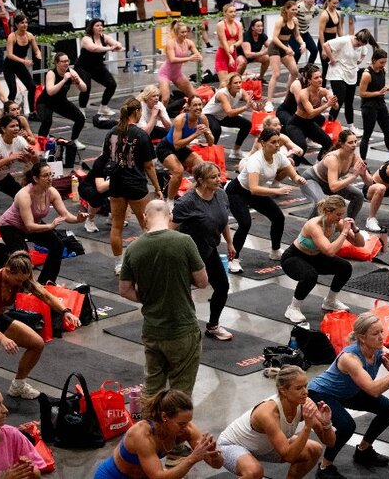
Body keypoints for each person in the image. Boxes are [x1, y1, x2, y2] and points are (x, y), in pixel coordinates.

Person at [308, 313, 389, 477]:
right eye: (375, 334)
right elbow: (373, 390)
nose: (381, 337)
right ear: (362, 338)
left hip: (349, 392)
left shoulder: (380, 351)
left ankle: (363, 450)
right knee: (347, 426)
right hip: (322, 393)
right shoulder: (350, 358)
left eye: (382, 331)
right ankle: (324, 467)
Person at [119, 201, 207, 395]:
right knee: (180, 393)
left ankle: (149, 423)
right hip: (182, 328)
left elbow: (125, 289)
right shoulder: (184, 241)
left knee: (152, 388)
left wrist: (150, 298)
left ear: (144, 217)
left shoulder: (134, 248)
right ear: (171, 216)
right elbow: (202, 281)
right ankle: (176, 425)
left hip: (152, 330)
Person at [0, 251, 80, 399]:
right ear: (7, 271)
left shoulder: (22, 279)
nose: (21, 285)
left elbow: (45, 295)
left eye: (23, 281)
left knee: (36, 343)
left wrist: (65, 312)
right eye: (17, 280)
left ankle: (18, 386)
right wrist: (2, 338)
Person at [217, 365, 334, 478]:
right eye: (299, 388)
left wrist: (326, 423)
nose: (305, 392)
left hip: (265, 447)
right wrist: (307, 427)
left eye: (305, 386)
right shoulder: (267, 413)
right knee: (254, 472)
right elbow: (289, 456)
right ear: (283, 391)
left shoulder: (303, 402)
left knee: (314, 450)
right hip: (231, 446)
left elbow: (330, 443)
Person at [226, 128, 306, 274]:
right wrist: (276, 191)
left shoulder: (279, 156)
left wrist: (298, 179)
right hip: (237, 192)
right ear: (263, 143)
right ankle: (233, 260)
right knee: (245, 223)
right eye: (273, 142)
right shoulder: (255, 160)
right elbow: (254, 189)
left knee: (278, 217)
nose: (277, 145)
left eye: (278, 142)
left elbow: (293, 175)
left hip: (255, 191)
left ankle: (275, 251)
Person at [95, 389, 223, 478]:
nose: (186, 427)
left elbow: (216, 465)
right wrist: (192, 458)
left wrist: (214, 455)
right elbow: (158, 477)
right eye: (181, 423)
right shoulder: (142, 435)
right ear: (164, 417)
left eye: (188, 421)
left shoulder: (186, 429)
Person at [170, 162, 234, 341]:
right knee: (182, 293)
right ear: (200, 180)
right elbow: (168, 229)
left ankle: (213, 326)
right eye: (213, 177)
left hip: (208, 249)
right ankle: (179, 327)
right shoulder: (188, 202)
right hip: (186, 253)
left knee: (222, 286)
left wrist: (229, 242)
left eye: (219, 175)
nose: (219, 180)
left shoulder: (221, 195)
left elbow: (223, 219)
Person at [0, 161, 86, 284]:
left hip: (33, 224)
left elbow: (65, 215)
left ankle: (46, 282)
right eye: (45, 176)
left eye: (51, 174)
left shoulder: (51, 192)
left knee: (57, 245)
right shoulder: (24, 195)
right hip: (11, 226)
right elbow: (29, 226)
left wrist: (78, 219)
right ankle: (21, 287)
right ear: (35, 178)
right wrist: (50, 226)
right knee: (23, 258)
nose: (50, 178)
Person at [103, 98, 164, 275]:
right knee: (147, 225)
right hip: (136, 184)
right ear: (136, 112)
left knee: (116, 226)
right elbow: (149, 166)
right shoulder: (141, 134)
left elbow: (107, 157)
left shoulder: (112, 133)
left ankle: (119, 264)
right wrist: (158, 188)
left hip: (116, 183)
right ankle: (149, 261)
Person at [281, 194, 363, 324]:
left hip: (315, 257)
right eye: (338, 214)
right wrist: (344, 232)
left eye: (342, 214)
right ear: (327, 211)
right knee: (310, 276)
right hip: (294, 257)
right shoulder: (314, 225)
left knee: (345, 267)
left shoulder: (337, 223)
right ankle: (293, 308)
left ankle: (330, 302)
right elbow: (330, 251)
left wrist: (355, 229)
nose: (340, 218)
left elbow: (360, 244)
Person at [301, 130, 371, 219]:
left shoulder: (354, 157)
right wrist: (354, 176)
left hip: (328, 182)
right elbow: (333, 188)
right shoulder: (333, 159)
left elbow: (370, 183)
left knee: (358, 196)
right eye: (350, 142)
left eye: (355, 141)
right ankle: (308, 230)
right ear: (341, 144)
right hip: (311, 180)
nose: (354, 145)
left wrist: (365, 174)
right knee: (321, 203)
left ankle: (348, 224)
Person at [0, 115, 35, 234]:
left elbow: (33, 161)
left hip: (2, 176)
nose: (16, 128)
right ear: (3, 129)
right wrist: (10, 158)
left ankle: (24, 226)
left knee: (21, 196)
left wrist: (32, 156)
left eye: (17, 126)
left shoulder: (19, 140)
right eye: (12, 126)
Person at [158, 95, 212, 201]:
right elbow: (176, 144)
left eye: (200, 104)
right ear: (189, 107)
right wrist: (196, 134)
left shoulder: (203, 118)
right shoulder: (180, 119)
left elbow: (211, 143)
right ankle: (170, 201)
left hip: (181, 148)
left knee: (202, 168)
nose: (198, 107)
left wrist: (207, 133)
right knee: (178, 170)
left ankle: (193, 196)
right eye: (195, 105)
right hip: (166, 148)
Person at [0, 382, 48, 475]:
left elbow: (38, 473)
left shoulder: (12, 434)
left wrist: (29, 470)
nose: (5, 410)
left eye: (2, 403)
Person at [323, 29, 377, 134]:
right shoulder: (344, 40)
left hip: (351, 74)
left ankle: (351, 126)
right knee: (339, 100)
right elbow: (326, 45)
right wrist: (332, 59)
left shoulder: (362, 47)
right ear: (356, 38)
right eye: (357, 43)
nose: (358, 46)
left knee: (349, 102)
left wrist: (359, 60)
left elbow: (363, 54)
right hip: (337, 73)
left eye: (361, 45)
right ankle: (329, 127)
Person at [280, 64, 336, 163]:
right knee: (301, 147)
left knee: (328, 143)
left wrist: (334, 102)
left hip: (309, 123)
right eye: (316, 78)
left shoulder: (323, 91)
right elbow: (310, 113)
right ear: (309, 80)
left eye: (320, 77)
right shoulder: (303, 92)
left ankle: (318, 163)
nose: (320, 80)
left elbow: (336, 106)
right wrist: (327, 104)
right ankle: (293, 168)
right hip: (295, 123)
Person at [37, 52, 86, 149]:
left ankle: (74, 140)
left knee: (80, 118)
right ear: (57, 63)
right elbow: (50, 92)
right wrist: (63, 80)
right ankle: (41, 144)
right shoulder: (51, 73)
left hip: (60, 102)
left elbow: (84, 89)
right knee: (47, 121)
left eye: (67, 61)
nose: (66, 63)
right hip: (45, 102)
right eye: (63, 61)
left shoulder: (71, 72)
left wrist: (77, 82)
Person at [75, 18, 122, 118]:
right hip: (83, 67)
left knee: (112, 84)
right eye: (97, 25)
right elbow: (94, 48)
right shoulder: (86, 39)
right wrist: (110, 48)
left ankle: (103, 107)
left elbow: (117, 44)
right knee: (86, 87)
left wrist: (117, 45)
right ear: (92, 27)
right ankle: (81, 110)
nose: (100, 27)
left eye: (101, 25)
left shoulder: (104, 37)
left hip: (97, 66)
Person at [357, 49, 389, 160]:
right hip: (369, 106)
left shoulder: (382, 70)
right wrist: (378, 93)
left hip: (380, 103)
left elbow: (379, 87)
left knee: (388, 132)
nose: (383, 65)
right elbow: (362, 93)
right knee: (367, 135)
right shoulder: (367, 75)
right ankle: (363, 161)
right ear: (374, 60)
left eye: (385, 62)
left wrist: (388, 89)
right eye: (381, 62)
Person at [203, 73, 253, 160]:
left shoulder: (240, 91)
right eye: (235, 83)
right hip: (208, 115)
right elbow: (230, 112)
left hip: (222, 116)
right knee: (216, 129)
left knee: (247, 124)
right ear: (229, 84)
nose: (238, 85)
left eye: (240, 82)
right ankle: (210, 153)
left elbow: (250, 102)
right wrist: (245, 107)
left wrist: (258, 106)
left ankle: (236, 151)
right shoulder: (222, 94)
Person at [3, 13, 40, 119]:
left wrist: (38, 54)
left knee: (32, 86)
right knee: (13, 90)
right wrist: (24, 61)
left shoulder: (29, 36)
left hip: (19, 65)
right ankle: (7, 114)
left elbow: (36, 49)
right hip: (9, 65)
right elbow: (9, 54)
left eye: (26, 22)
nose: (25, 25)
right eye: (22, 23)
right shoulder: (12, 36)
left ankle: (32, 112)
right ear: (16, 24)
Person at [267, 1, 305, 103]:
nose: (295, 11)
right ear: (287, 9)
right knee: (276, 74)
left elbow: (297, 35)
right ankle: (269, 101)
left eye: (296, 9)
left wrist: (303, 43)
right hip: (275, 47)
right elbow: (274, 38)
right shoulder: (280, 20)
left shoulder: (295, 20)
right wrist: (286, 48)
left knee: (294, 72)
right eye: (292, 9)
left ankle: (287, 96)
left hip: (285, 46)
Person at [157, 20, 201, 104]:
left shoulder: (189, 42)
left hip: (177, 74)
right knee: (165, 99)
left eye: (186, 32)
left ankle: (192, 113)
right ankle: (159, 115)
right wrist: (189, 58)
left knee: (194, 96)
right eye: (182, 32)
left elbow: (198, 55)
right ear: (176, 33)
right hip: (165, 74)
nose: (185, 34)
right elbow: (172, 59)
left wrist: (198, 57)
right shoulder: (171, 43)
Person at [215, 3, 244, 86]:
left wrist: (233, 45)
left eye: (235, 12)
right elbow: (223, 42)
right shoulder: (220, 25)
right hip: (222, 54)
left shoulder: (239, 24)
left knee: (232, 83)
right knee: (224, 83)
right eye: (231, 12)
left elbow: (240, 40)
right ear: (225, 13)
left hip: (233, 53)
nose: (233, 14)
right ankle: (217, 98)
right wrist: (229, 56)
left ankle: (227, 98)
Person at [294, 0, 320, 71]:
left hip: (305, 32)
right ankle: (293, 69)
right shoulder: (299, 7)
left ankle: (308, 69)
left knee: (314, 50)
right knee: (298, 52)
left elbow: (314, 14)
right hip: (295, 33)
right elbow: (292, 16)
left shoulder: (315, 8)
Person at [318, 0, 341, 80]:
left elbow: (339, 29)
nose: (335, 5)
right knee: (326, 68)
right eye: (333, 3)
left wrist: (344, 42)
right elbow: (321, 32)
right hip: (325, 41)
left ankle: (330, 87)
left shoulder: (337, 12)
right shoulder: (324, 15)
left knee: (333, 67)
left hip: (333, 42)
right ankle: (322, 89)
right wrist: (323, 49)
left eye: (337, 3)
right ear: (328, 2)